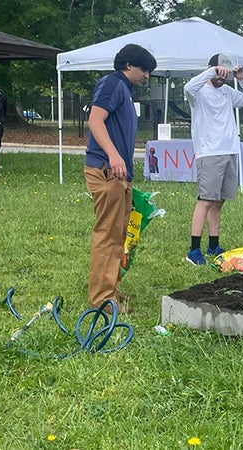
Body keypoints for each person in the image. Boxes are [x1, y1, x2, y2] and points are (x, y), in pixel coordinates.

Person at [84, 44, 156, 313]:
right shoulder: (112, 84)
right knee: (108, 235)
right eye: (144, 69)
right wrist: (114, 156)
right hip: (105, 170)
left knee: (118, 234)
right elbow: (95, 120)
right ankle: (103, 301)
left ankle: (110, 290)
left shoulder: (125, 90)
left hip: (119, 174)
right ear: (127, 65)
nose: (147, 75)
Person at [184, 54, 243, 265]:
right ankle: (194, 250)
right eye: (220, 73)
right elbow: (188, 87)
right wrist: (212, 70)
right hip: (209, 153)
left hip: (229, 151)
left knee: (219, 201)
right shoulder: (198, 93)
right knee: (205, 200)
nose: (222, 77)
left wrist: (242, 78)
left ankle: (213, 244)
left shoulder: (227, 92)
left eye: (226, 74)